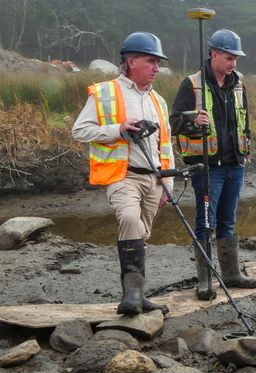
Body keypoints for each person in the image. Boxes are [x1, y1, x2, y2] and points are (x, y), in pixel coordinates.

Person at [71, 32, 173, 316]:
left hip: (154, 178)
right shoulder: (105, 92)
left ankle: (138, 294)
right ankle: (131, 296)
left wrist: (168, 183)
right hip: (122, 175)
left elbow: (166, 143)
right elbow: (80, 131)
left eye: (157, 62)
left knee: (141, 235)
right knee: (129, 220)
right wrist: (118, 129)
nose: (156, 68)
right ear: (130, 61)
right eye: (151, 61)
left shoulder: (159, 101)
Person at [170, 29, 256, 300]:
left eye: (236, 58)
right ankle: (206, 280)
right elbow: (173, 122)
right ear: (214, 54)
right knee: (206, 222)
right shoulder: (192, 84)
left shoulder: (239, 83)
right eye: (229, 57)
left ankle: (231, 274)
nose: (233, 63)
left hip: (235, 163)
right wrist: (194, 120)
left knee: (228, 221)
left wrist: (246, 150)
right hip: (207, 165)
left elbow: (245, 119)